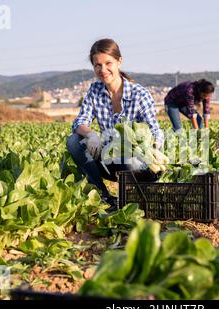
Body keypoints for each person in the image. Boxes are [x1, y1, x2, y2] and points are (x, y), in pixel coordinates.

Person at [67, 38, 164, 212]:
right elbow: (80, 121)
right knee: (74, 142)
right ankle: (104, 196)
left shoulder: (139, 94)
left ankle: (135, 199)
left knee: (129, 159)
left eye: (108, 63)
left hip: (137, 163)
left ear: (119, 61)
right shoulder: (95, 91)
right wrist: (91, 134)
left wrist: (154, 148)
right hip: (110, 161)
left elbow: (155, 129)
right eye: (97, 65)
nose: (103, 69)